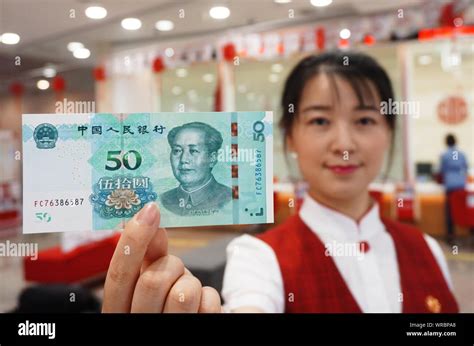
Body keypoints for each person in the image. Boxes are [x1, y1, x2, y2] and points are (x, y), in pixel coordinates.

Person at [102, 51, 458, 313]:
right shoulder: (258, 257)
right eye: (320, 121)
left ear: (389, 133)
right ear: (289, 137)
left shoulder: (428, 248)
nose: (344, 144)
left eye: (364, 120)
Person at [161, 122, 232, 216]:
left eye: (193, 151)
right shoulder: (163, 200)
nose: (183, 159)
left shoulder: (229, 198)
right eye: (177, 150)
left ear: (212, 158)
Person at [439, 134, 468, 243]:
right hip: (461, 187)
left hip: (450, 187)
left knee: (450, 213)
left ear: (446, 142)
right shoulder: (462, 154)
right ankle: (469, 233)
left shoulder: (445, 155)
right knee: (463, 211)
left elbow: (441, 171)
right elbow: (465, 168)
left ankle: (451, 237)